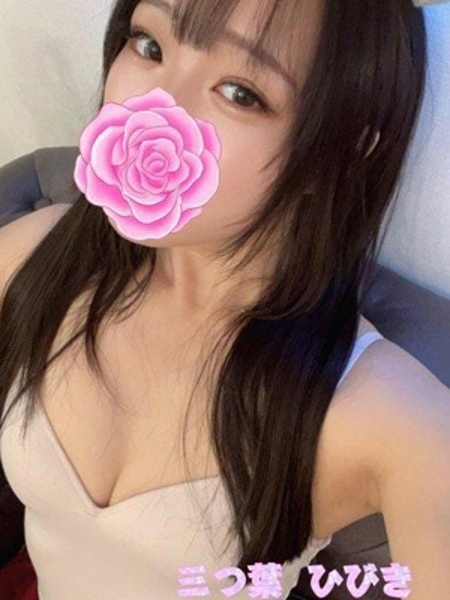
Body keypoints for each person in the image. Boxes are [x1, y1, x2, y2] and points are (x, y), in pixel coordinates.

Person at [0, 0, 449, 598]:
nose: (152, 108)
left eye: (241, 93)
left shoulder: (390, 418)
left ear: (338, 153)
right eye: (149, 45)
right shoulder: (31, 254)